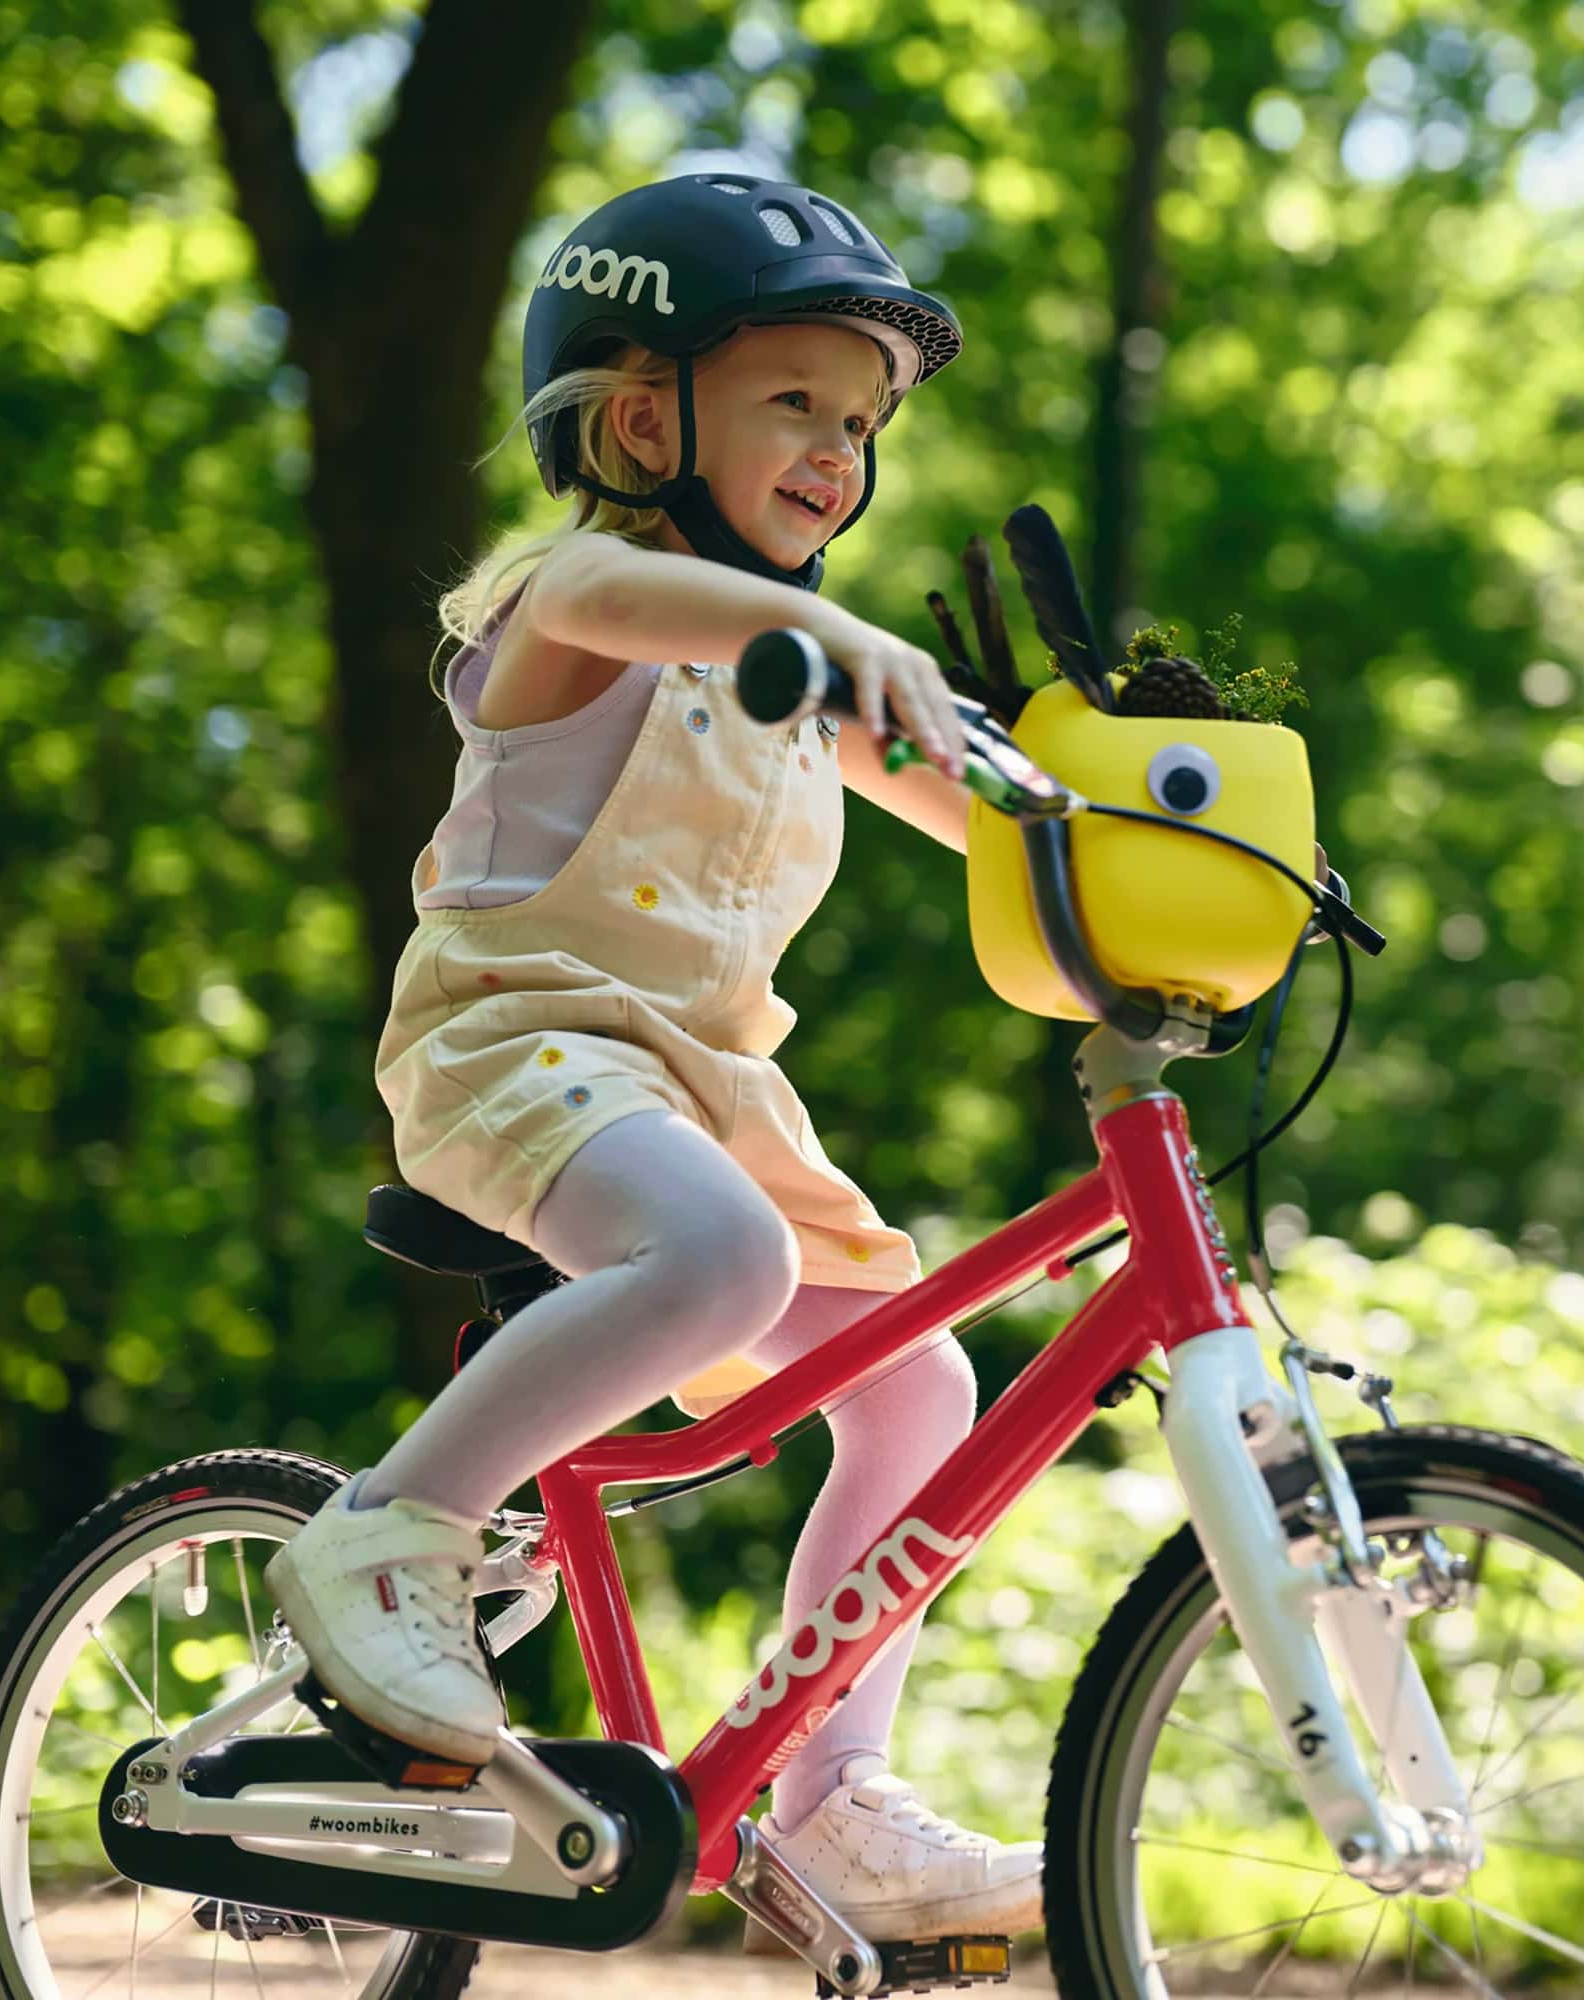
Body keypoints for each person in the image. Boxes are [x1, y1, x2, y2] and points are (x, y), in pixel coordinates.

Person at [266, 173, 1043, 1942]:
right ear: (640, 415)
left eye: (861, 423)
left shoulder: (791, 664)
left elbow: (986, 815)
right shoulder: (579, 593)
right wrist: (844, 642)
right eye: (797, 402)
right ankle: (387, 1536)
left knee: (920, 1383)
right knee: (720, 1260)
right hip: (513, 1052)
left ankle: (834, 1799)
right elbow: (674, 611)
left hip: (701, 1101)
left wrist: (1141, 858)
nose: (840, 451)